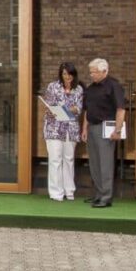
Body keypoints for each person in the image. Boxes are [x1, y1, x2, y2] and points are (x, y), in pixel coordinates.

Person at [80, 58, 126, 208]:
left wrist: (117, 130)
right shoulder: (91, 88)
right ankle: (99, 194)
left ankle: (106, 197)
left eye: (94, 72)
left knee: (105, 163)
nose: (91, 75)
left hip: (106, 128)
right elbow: (87, 110)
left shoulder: (114, 86)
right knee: (94, 164)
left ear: (104, 71)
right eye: (91, 72)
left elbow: (120, 109)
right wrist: (84, 128)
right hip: (92, 127)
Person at [40, 62, 83, 202]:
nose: (67, 76)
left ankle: (69, 191)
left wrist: (63, 110)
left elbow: (78, 109)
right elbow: (50, 108)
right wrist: (68, 110)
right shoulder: (53, 87)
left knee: (69, 159)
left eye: (70, 74)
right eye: (64, 74)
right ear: (61, 74)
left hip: (71, 129)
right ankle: (56, 192)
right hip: (54, 129)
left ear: (74, 74)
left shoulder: (79, 89)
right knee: (55, 160)